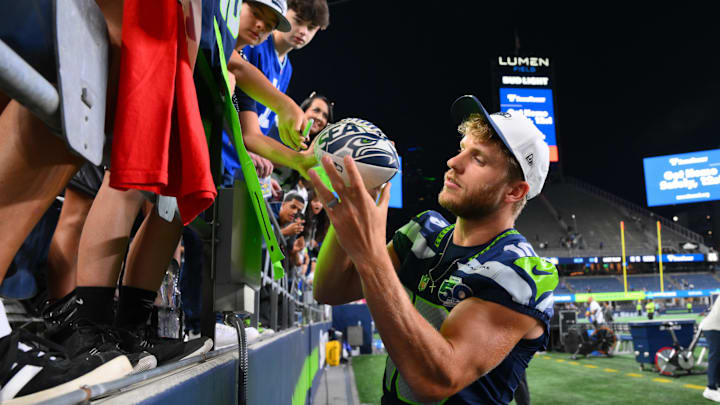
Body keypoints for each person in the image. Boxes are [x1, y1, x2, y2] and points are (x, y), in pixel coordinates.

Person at [310, 95, 557, 404]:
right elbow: (330, 290)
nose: (454, 163)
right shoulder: (424, 232)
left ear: (515, 190)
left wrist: (371, 256)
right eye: (462, 149)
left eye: (478, 159)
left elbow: (436, 381)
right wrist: (349, 197)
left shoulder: (520, 271)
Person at [221, 0, 330, 187]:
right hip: (216, 148)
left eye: (310, 27)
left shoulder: (286, 69)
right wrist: (284, 104)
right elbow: (236, 66)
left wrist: (298, 160)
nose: (303, 31)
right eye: (298, 21)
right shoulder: (251, 43)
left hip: (236, 164)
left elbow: (253, 134)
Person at [701, 297, 720, 402]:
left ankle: (718, 386)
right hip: (713, 327)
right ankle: (710, 389)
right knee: (715, 357)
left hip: (717, 327)